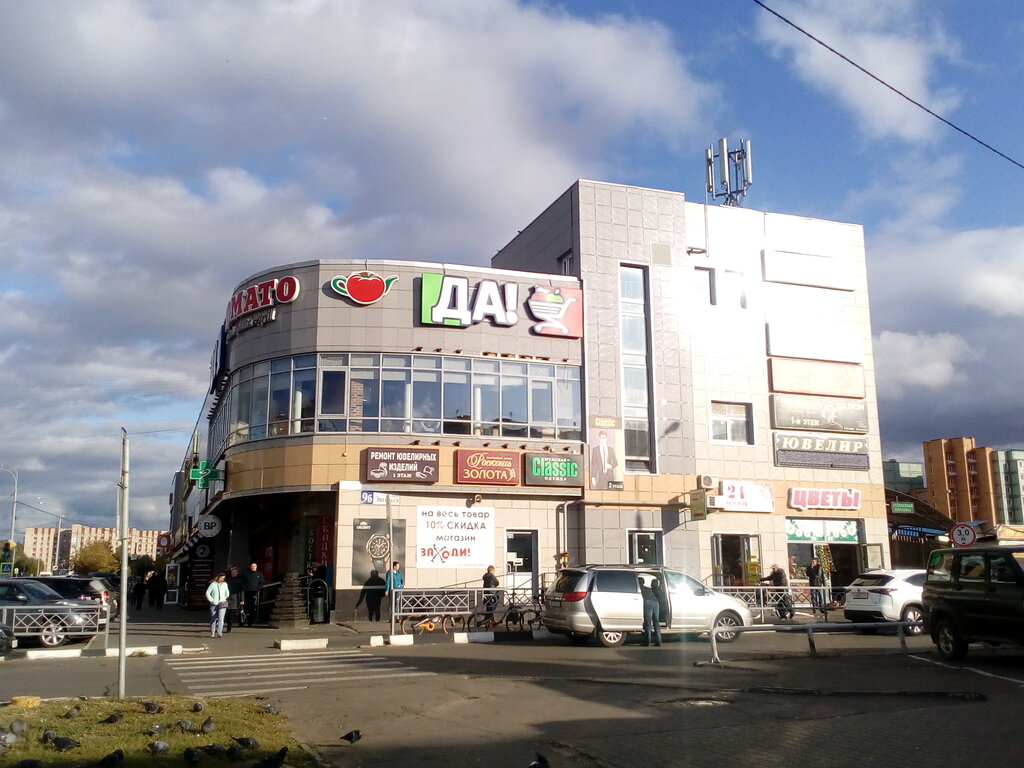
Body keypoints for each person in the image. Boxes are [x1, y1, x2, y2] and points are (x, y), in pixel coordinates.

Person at [205, 572, 230, 638]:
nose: (222, 579)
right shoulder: (213, 584)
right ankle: (213, 631)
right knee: (213, 618)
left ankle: (219, 632)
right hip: (214, 603)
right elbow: (207, 593)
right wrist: (211, 600)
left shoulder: (225, 584)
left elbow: (227, 592)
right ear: (218, 577)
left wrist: (225, 596)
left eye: (223, 578)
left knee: (221, 618)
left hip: (222, 603)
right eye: (221, 578)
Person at [241, 562, 265, 626]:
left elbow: (262, 582)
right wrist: (244, 588)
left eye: (254, 566)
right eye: (252, 566)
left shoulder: (259, 574)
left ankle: (250, 622)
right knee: (245, 607)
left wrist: (258, 588)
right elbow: (242, 581)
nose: (253, 567)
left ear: (256, 567)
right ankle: (243, 621)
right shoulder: (246, 573)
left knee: (252, 607)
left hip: (254, 592)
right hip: (246, 592)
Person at [641, 576, 663, 647]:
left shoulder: (639, 588)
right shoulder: (648, 589)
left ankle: (647, 642)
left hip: (647, 602)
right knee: (656, 622)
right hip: (656, 603)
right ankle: (659, 641)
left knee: (648, 622)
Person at [224, 565, 244, 632]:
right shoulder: (227, 579)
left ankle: (229, 628)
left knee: (231, 614)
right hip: (226, 598)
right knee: (226, 614)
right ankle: (227, 622)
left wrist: (242, 600)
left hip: (235, 599)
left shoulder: (239, 580)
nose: (234, 573)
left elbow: (242, 591)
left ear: (237, 573)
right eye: (233, 572)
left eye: (235, 572)